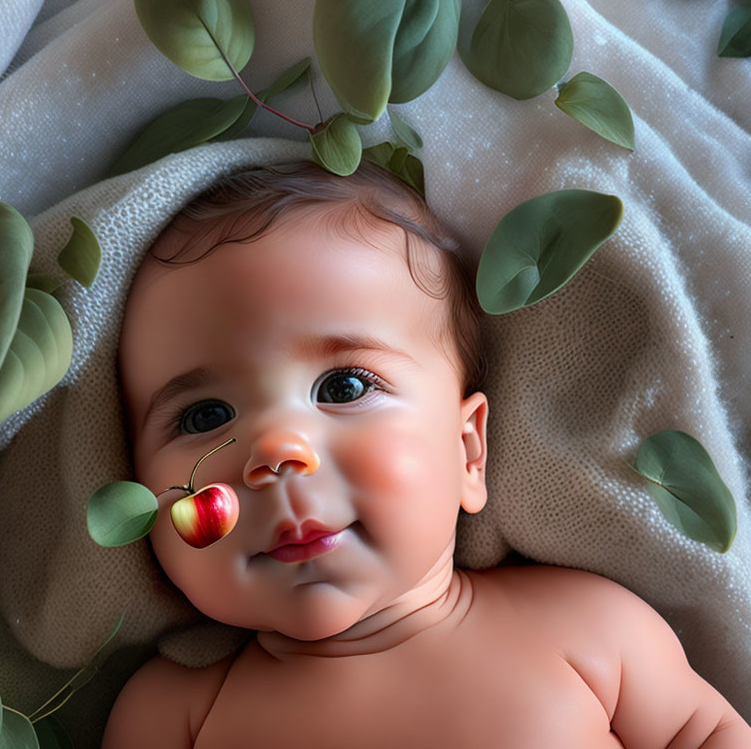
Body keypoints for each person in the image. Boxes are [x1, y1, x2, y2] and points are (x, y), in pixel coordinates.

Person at [102, 159, 750, 748]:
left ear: (468, 452)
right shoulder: (174, 714)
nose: (276, 452)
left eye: (344, 387)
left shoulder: (585, 627)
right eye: (205, 416)